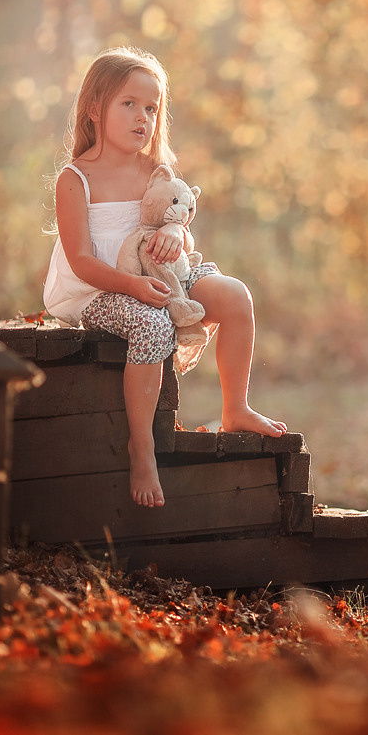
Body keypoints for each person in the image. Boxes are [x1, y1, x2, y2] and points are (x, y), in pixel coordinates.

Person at [42, 47, 286, 509]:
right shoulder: (76, 179)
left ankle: (235, 408)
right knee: (152, 324)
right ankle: (143, 446)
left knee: (234, 296)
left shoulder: (155, 171)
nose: (143, 117)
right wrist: (133, 286)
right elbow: (80, 260)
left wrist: (175, 232)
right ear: (95, 108)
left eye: (152, 108)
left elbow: (178, 216)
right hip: (100, 287)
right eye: (129, 104)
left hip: (164, 274)